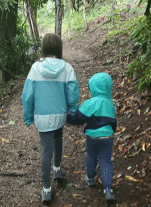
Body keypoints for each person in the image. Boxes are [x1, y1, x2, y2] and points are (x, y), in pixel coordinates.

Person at [22, 33, 79, 203]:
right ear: (59, 48)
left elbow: (27, 95)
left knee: (46, 150)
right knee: (58, 139)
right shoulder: (66, 67)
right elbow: (72, 90)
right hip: (60, 114)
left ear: (44, 48)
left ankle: (47, 189)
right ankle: (57, 169)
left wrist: (28, 116)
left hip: (42, 117)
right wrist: (73, 110)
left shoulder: (35, 67)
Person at [67, 72, 116, 203]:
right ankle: (108, 190)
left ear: (93, 88)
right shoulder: (109, 103)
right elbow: (113, 122)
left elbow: (79, 118)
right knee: (105, 162)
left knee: (91, 157)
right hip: (107, 137)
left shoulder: (91, 103)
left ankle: (90, 178)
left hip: (93, 137)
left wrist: (67, 117)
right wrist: (111, 133)